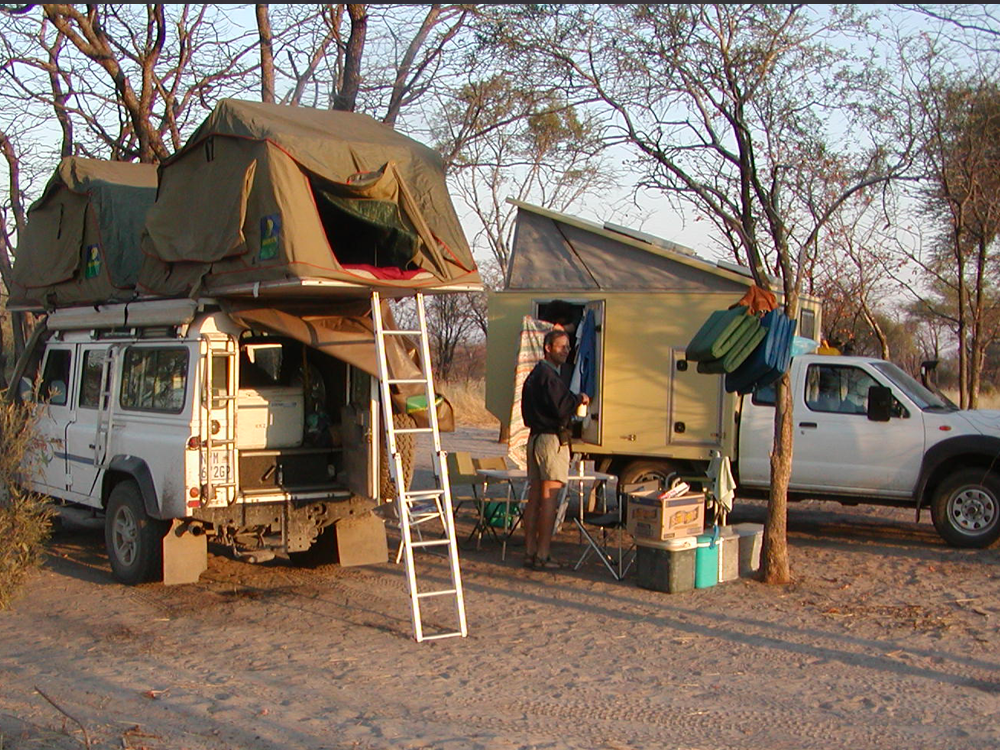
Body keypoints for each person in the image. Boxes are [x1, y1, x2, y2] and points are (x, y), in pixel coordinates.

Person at [520, 329, 589, 570]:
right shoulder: (549, 376)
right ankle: (543, 554)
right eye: (562, 346)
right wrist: (578, 399)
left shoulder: (534, 376)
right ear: (548, 348)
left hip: (535, 438)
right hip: (550, 440)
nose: (566, 351)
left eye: (568, 347)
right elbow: (561, 408)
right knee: (550, 498)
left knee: (535, 497)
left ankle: (530, 551)